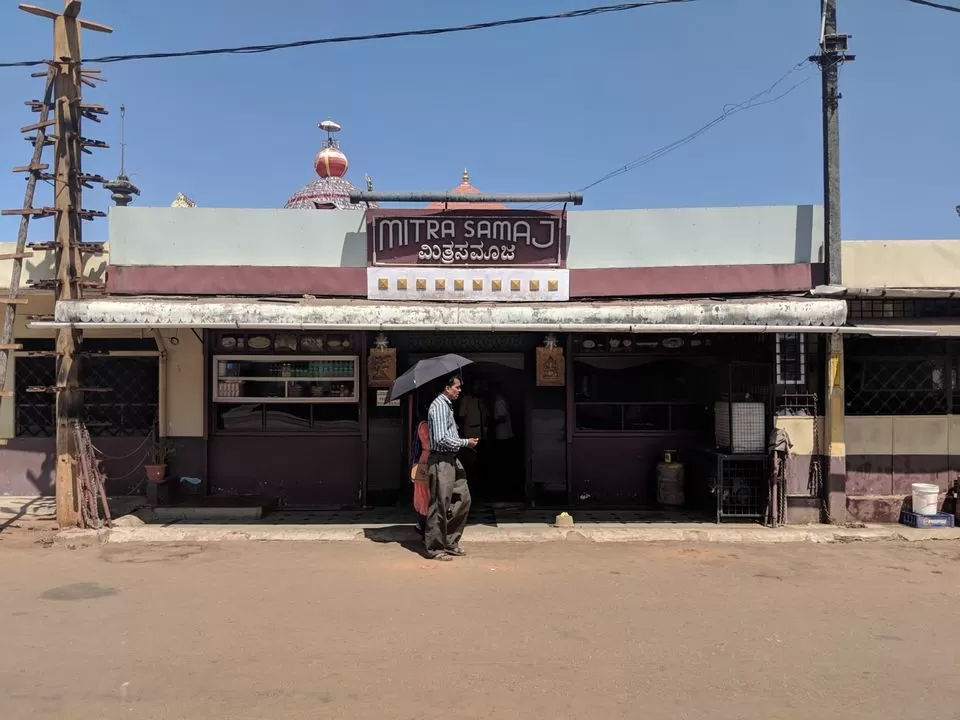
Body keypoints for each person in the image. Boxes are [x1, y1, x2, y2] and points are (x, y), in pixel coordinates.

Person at [425, 375, 478, 561]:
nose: (459, 390)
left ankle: (450, 541)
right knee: (440, 503)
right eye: (457, 387)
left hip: (452, 459)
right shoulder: (439, 406)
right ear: (447, 388)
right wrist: (465, 442)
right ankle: (435, 547)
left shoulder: (447, 405)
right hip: (441, 460)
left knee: (463, 498)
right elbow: (440, 439)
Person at [410, 406, 431, 536]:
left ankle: (422, 523)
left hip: (422, 460)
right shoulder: (425, 426)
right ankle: (423, 524)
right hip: (427, 460)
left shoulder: (419, 425)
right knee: (425, 493)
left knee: (422, 493)